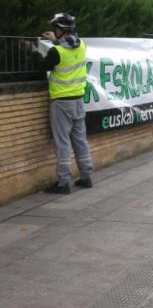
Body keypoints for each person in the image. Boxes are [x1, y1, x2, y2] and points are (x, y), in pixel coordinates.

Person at [31, 13, 93, 194]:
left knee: (63, 143)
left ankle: (64, 183)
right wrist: (55, 42)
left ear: (60, 30)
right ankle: (86, 177)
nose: (53, 31)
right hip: (78, 100)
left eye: (55, 29)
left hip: (61, 103)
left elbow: (42, 65)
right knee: (80, 140)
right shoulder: (81, 45)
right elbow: (69, 48)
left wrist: (34, 50)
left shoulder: (56, 51)